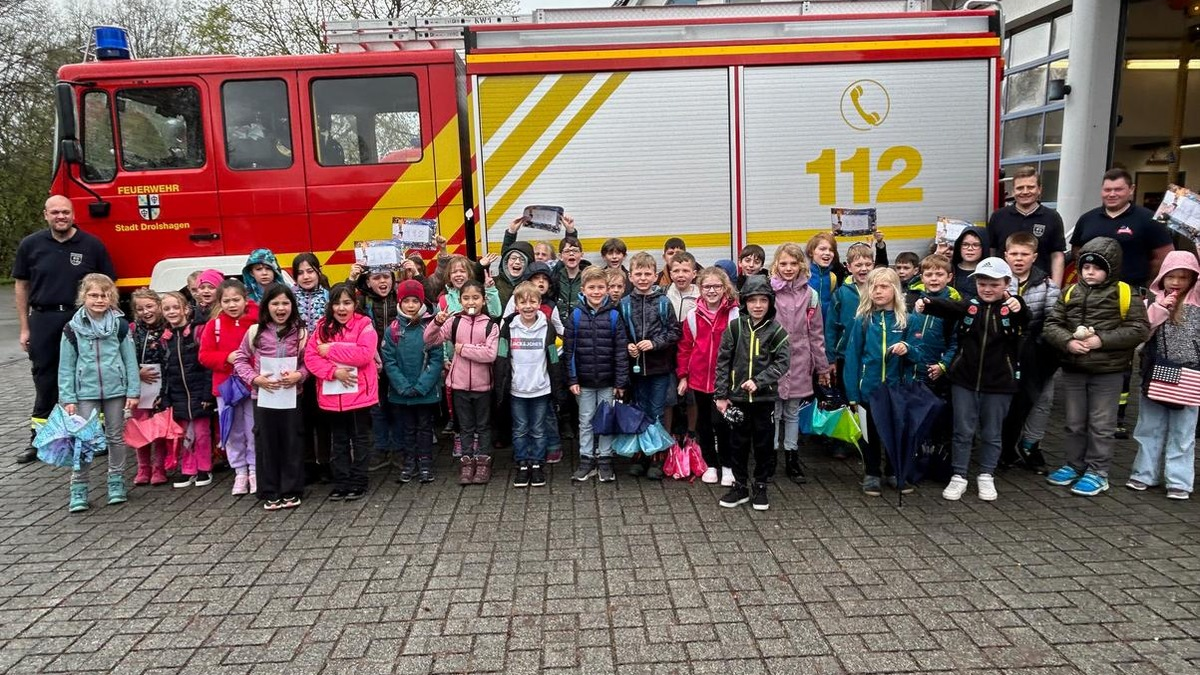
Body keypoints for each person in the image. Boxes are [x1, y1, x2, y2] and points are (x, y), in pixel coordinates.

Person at [1070, 168, 1174, 437]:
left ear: (1131, 189)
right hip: (1090, 297)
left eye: (1118, 189)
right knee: (1087, 346)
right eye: (1107, 189)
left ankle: (1115, 415)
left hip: (1128, 297)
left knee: (1121, 355)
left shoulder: (1148, 220)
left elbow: (1163, 257)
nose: (1112, 194)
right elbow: (1078, 252)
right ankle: (1086, 410)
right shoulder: (1088, 219)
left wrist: (1144, 287)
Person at [12, 195, 116, 464]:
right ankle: (39, 439)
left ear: (73, 215)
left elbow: (107, 285)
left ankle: (94, 435)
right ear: (45, 214)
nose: (61, 216)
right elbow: (21, 286)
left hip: (81, 319)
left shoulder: (92, 245)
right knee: (45, 380)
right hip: (44, 319)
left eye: (65, 212)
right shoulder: (30, 245)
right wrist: (25, 328)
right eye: (55, 212)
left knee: (88, 378)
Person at [1043, 238, 1150, 497]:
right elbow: (1052, 325)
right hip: (1074, 368)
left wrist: (1100, 340)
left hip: (1109, 371)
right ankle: (1074, 464)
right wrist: (1068, 342)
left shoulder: (1125, 293)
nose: (1090, 272)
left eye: (1097, 268)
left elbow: (1139, 329)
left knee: (1102, 424)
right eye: (1085, 267)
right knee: (1074, 422)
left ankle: (1098, 471)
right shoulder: (1070, 291)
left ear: (1111, 268)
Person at [916, 258, 1028, 502]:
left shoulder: (1013, 308)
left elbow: (1026, 318)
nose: (987, 289)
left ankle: (986, 475)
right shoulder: (970, 306)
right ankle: (959, 475)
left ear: (1007, 283)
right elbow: (948, 307)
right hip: (964, 380)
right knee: (962, 430)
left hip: (1000, 383)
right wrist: (927, 303)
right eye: (982, 283)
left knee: (992, 432)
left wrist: (1018, 302)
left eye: (994, 284)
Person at [58, 274, 139, 512]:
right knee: (84, 440)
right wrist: (68, 397)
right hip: (85, 393)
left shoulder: (120, 325)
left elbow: (130, 361)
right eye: (93, 295)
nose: (99, 300)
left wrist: (133, 391)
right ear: (84, 297)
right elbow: (66, 366)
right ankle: (79, 487)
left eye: (104, 295)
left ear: (111, 297)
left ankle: (116, 482)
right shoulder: (72, 328)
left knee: (115, 437)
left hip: (116, 391)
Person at [1128, 251, 1200, 500]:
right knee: (1149, 425)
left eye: (1184, 277)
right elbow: (1141, 332)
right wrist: (1159, 309)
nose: (1177, 282)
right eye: (1172, 276)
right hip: (1156, 372)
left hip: (1190, 375)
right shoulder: (1152, 300)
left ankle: (1179, 480)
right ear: (1162, 276)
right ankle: (1143, 473)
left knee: (1183, 431)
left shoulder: (1196, 300)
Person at [714, 276, 790, 511]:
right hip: (737, 399)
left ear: (770, 302)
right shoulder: (735, 328)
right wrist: (721, 395)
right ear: (744, 303)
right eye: (752, 300)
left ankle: (760, 485)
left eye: (763, 300)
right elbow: (723, 362)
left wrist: (759, 381)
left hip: (764, 399)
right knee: (737, 443)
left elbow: (783, 362)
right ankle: (740, 486)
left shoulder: (776, 330)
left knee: (764, 443)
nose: (758, 305)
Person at [234, 284, 308, 510]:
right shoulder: (256, 332)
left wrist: (299, 375)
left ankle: (291, 489)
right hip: (263, 398)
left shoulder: (301, 333)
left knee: (291, 441)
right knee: (266, 442)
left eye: (285, 303)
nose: (280, 308)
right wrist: (255, 379)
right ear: (267, 306)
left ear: (292, 306)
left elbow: (309, 364)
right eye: (275, 303)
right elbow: (240, 359)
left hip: (292, 397)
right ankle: (270, 490)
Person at [306, 282, 379, 500]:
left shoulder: (364, 324)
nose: (341, 308)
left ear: (355, 304)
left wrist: (332, 349)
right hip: (332, 396)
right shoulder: (321, 327)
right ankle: (342, 481)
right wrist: (332, 372)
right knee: (338, 441)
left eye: (347, 303)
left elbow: (365, 354)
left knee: (359, 439)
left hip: (359, 396)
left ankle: (359, 480)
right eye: (337, 303)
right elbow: (311, 358)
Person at [843, 268, 910, 496]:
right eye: (873, 286)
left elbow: (917, 354)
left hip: (895, 390)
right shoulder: (864, 320)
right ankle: (872, 473)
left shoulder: (905, 320)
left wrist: (907, 349)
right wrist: (852, 392)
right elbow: (852, 357)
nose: (878, 291)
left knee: (895, 432)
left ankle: (894, 471)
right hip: (867, 390)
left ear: (895, 290)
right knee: (869, 434)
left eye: (884, 286)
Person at [769, 244, 831, 485]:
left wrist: (822, 367)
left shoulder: (811, 295)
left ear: (801, 266)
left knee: (792, 412)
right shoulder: (769, 292)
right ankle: (771, 458)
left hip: (800, 360)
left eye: (793, 264)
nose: (788, 268)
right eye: (783, 264)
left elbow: (816, 334)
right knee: (774, 412)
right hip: (772, 362)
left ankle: (792, 458)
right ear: (776, 265)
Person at [425, 280, 499, 485]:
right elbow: (429, 340)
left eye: (475, 297)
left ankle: (483, 463)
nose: (471, 301)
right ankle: (467, 463)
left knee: (483, 426)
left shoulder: (491, 325)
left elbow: (490, 354)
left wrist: (463, 349)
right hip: (458, 385)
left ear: (483, 300)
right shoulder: (454, 322)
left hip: (483, 386)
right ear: (460, 300)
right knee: (465, 427)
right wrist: (436, 322)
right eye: (466, 298)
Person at [999, 232, 1061, 473]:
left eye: (1024, 254)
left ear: (1034, 257)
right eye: (1013, 253)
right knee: (1010, 403)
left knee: (1041, 400)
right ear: (1005, 255)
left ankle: (1031, 445)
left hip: (1037, 352)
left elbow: (1052, 321)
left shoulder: (1048, 285)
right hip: (1005, 352)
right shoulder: (998, 281)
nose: (1018, 259)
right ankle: (1005, 449)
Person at [565, 267, 629, 483]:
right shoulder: (575, 315)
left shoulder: (613, 315)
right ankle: (586, 459)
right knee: (585, 420)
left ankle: (605, 459)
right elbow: (569, 350)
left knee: (606, 420)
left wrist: (620, 381)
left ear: (607, 289)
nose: (596, 291)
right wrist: (572, 379)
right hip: (583, 382)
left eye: (601, 287)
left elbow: (621, 352)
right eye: (591, 287)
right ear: (583, 289)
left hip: (608, 382)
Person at [496, 282, 564, 488]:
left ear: (539, 303)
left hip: (541, 389)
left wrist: (557, 386)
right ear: (516, 304)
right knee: (519, 429)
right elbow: (501, 357)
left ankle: (536, 463)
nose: (527, 306)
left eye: (532, 301)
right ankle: (522, 463)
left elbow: (553, 359)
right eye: (522, 302)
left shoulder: (548, 328)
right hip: (517, 390)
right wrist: (501, 386)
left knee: (538, 429)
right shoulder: (508, 328)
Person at [622, 252, 682, 479]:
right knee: (639, 408)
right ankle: (641, 454)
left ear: (656, 276)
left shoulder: (664, 302)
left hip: (659, 368)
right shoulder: (625, 303)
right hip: (635, 369)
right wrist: (628, 345)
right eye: (638, 274)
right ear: (630, 276)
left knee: (656, 411)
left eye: (648, 274)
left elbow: (674, 331)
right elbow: (621, 333)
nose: (643, 278)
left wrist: (654, 343)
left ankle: (656, 455)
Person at [677, 267, 739, 485]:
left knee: (722, 423)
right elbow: (685, 347)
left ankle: (728, 466)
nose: (712, 291)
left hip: (725, 380)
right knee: (703, 423)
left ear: (725, 288)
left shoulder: (735, 314)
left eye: (717, 286)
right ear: (700, 289)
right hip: (699, 379)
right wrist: (683, 376)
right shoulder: (693, 315)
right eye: (707, 287)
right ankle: (710, 464)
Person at [198, 279, 260, 495]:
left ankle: (255, 469)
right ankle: (240, 471)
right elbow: (204, 356)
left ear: (245, 299)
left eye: (236, 300)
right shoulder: (213, 325)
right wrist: (227, 357)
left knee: (253, 429)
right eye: (227, 301)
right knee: (232, 430)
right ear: (219, 302)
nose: (232, 305)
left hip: (252, 385)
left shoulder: (257, 323)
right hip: (226, 388)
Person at [382, 280, 443, 484]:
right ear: (400, 302)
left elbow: (436, 359)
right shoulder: (392, 330)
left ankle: (425, 462)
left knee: (425, 427)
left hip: (424, 392)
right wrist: (402, 385)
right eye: (406, 301)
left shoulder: (430, 327)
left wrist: (422, 386)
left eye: (414, 301)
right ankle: (409, 461)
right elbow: (389, 361)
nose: (410, 305)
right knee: (406, 428)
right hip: (402, 392)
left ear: (421, 302)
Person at [158, 291, 215, 489]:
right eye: (167, 308)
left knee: (201, 433)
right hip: (178, 394)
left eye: (176, 307)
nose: (172, 311)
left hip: (199, 392)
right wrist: (164, 396)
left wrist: (208, 393)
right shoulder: (164, 339)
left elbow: (207, 365)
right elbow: (164, 370)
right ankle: (188, 469)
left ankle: (204, 467)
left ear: (186, 309)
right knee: (184, 434)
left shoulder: (197, 332)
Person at [349, 263, 402, 472]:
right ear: (368, 281)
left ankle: (399, 449)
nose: (383, 282)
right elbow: (344, 301)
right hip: (372, 362)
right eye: (377, 277)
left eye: (387, 277)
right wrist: (351, 279)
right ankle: (381, 448)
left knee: (398, 406)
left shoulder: (400, 297)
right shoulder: (363, 300)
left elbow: (426, 293)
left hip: (398, 361)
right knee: (377, 408)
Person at [987, 166, 1067, 287]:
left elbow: (1057, 256)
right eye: (1019, 188)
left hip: (1040, 288)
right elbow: (991, 252)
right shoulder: (998, 217)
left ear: (1039, 189)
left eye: (1030, 187)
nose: (1025, 192)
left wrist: (1055, 288)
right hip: (1003, 288)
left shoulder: (1052, 217)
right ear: (1013, 191)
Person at [291, 253, 331, 481]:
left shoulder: (328, 297)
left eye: (310, 270)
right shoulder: (288, 298)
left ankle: (325, 462)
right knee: (302, 416)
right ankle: (307, 463)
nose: (306, 276)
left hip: (323, 365)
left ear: (318, 271)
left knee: (323, 416)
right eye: (300, 272)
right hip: (296, 366)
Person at [129, 288, 169, 486]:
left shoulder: (168, 328)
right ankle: (143, 467)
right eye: (140, 309)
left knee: (159, 428)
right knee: (140, 427)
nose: (146, 312)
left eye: (150, 306)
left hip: (162, 384)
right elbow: (124, 358)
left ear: (159, 306)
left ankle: (159, 467)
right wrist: (136, 372)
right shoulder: (132, 330)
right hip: (139, 387)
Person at [664, 252, 700, 437]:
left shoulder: (701, 296)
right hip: (668, 351)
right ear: (670, 273)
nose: (680, 275)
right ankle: (668, 435)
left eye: (685, 270)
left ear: (694, 273)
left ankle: (691, 433)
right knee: (669, 395)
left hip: (693, 351)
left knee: (692, 395)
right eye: (676, 270)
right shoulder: (663, 294)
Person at [950, 227, 986, 300]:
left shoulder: (988, 272)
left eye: (975, 245)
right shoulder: (950, 269)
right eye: (965, 244)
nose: (970, 248)